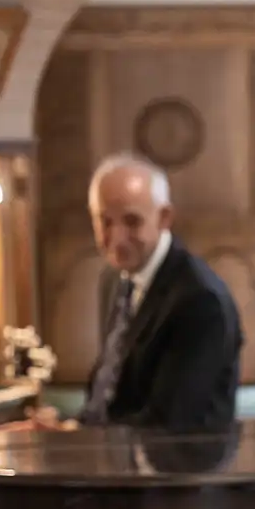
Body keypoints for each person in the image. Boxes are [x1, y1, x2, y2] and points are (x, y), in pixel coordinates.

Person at [74, 152, 240, 431]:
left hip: (176, 467)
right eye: (105, 221)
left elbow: (168, 425)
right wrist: (64, 428)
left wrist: (78, 437)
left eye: (131, 221)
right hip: (114, 457)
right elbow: (110, 394)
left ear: (164, 218)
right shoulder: (117, 280)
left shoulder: (199, 300)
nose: (117, 238)